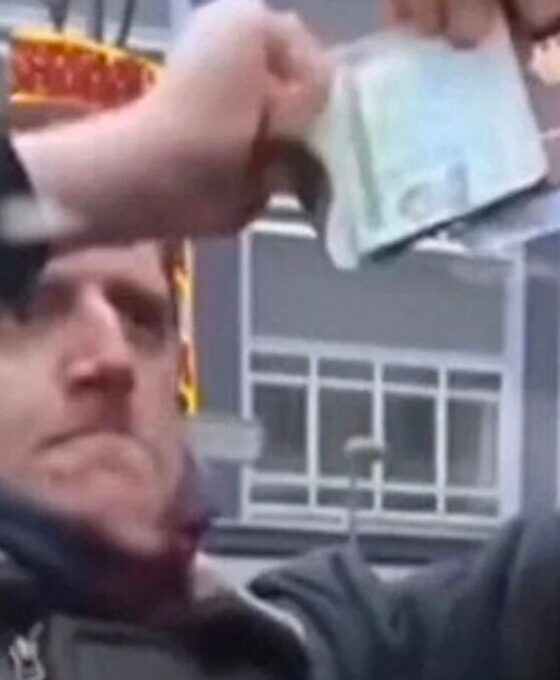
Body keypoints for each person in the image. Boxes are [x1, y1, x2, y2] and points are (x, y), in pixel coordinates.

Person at [1, 1, 560, 680]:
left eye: (143, 321)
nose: (112, 357)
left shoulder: (313, 649)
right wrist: (118, 168)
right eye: (31, 311)